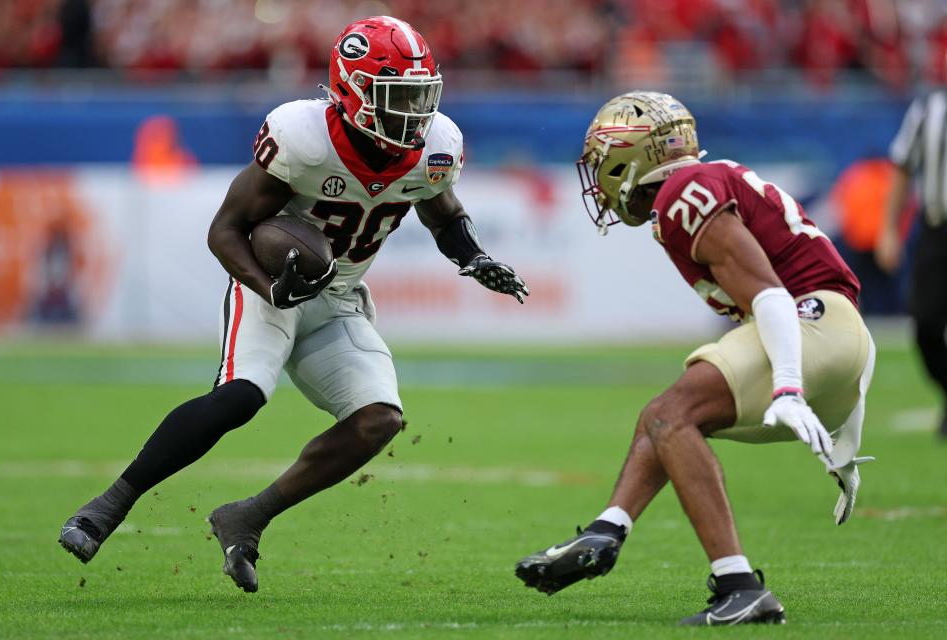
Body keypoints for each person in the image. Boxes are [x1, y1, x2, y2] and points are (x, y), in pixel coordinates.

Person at [58, 16, 528, 593]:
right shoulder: (304, 138)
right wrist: (265, 285)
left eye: (420, 95)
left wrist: (473, 256)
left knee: (378, 419)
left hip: (341, 298)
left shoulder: (436, 147)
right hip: (272, 288)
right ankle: (108, 506)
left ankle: (247, 517)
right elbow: (225, 229)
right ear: (352, 90)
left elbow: (442, 212)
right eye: (398, 97)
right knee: (242, 395)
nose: (414, 112)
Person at [515, 92, 874, 625]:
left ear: (630, 158)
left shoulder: (684, 192)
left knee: (671, 415)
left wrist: (789, 387)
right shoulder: (699, 184)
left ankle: (738, 585)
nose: (599, 182)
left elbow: (770, 295)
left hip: (809, 324)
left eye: (602, 163)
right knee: (662, 416)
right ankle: (605, 531)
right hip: (829, 331)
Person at [875, 89, 947, 439]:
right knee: (926, 322)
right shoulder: (928, 109)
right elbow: (903, 169)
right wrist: (889, 229)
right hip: (937, 230)